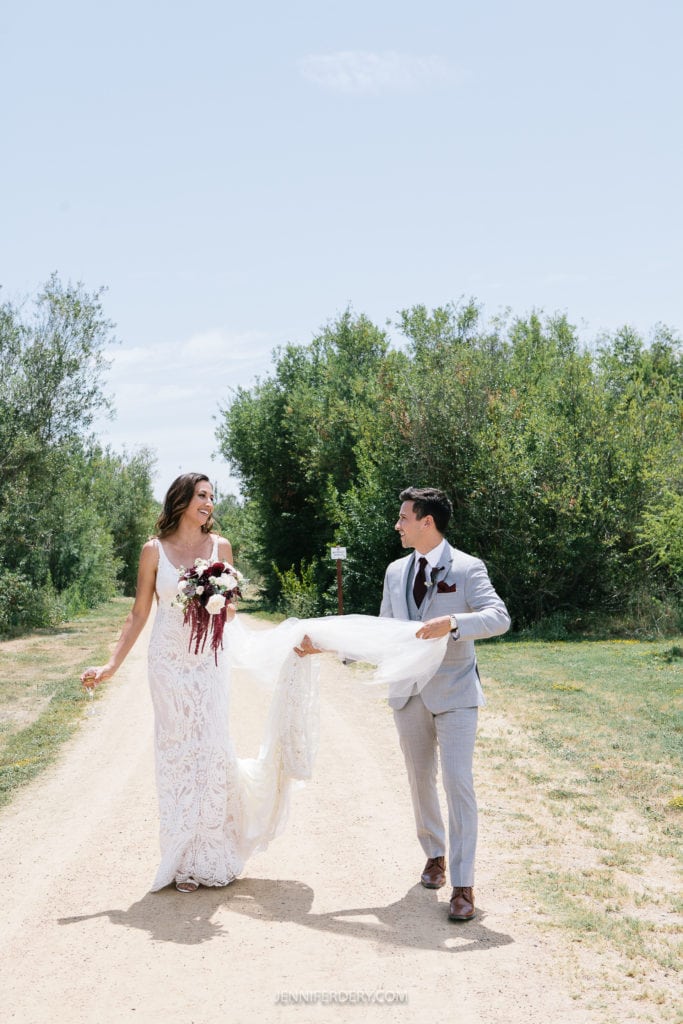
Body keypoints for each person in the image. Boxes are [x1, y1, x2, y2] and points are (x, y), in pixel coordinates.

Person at [379, 486, 511, 922]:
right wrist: (323, 645)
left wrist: (454, 622)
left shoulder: (469, 568)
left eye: (403, 517)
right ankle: (434, 855)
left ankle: (464, 884)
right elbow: (382, 631)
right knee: (420, 780)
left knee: (458, 782)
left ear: (426, 522)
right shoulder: (395, 571)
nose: (397, 525)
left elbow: (499, 618)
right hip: (409, 693)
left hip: (455, 693)